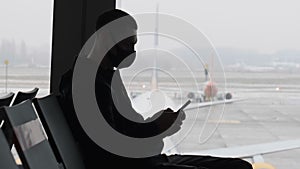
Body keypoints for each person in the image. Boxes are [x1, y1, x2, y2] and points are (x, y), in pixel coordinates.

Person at [59, 9, 253, 169]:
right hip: (136, 165)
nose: (132, 51)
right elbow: (110, 154)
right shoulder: (88, 85)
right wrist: (157, 128)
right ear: (106, 37)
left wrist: (159, 125)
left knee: (239, 166)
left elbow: (127, 128)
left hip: (145, 160)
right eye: (129, 43)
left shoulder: (105, 76)